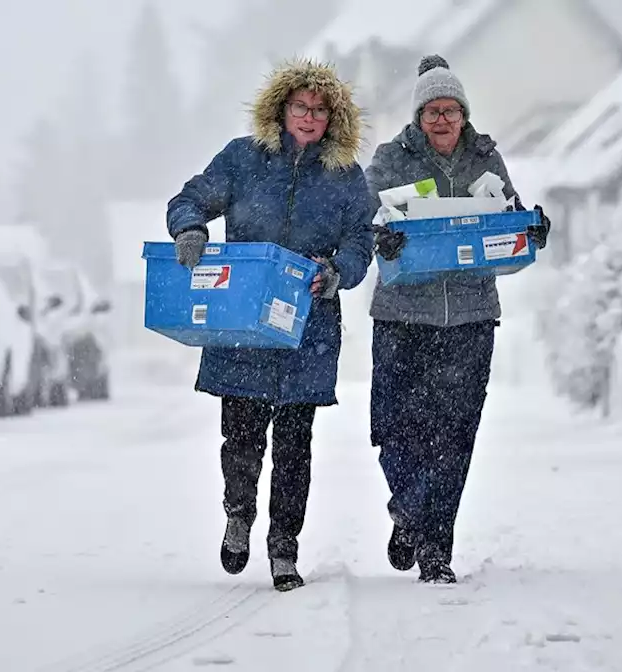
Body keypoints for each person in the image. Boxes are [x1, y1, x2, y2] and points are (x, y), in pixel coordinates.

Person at [166, 58, 374, 592]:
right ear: (281, 109)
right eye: (300, 106)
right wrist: (190, 230)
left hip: (308, 325)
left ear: (333, 120)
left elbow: (360, 242)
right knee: (241, 435)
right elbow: (189, 198)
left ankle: (285, 547)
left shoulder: (346, 179)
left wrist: (337, 273)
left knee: (294, 445)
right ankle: (239, 512)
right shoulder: (242, 159)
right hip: (242, 322)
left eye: (320, 110)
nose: (309, 116)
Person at [364, 54, 551, 584]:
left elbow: (511, 221)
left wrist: (532, 229)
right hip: (403, 318)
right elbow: (364, 217)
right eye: (432, 111)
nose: (442, 120)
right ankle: (408, 507)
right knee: (394, 428)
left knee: (454, 436)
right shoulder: (392, 159)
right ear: (418, 117)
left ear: (464, 114)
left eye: (451, 110)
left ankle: (434, 549)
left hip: (469, 319)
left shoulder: (485, 160)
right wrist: (384, 235)